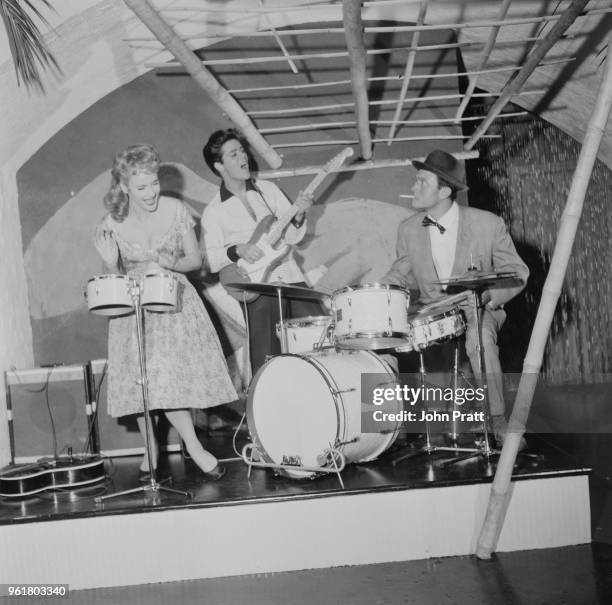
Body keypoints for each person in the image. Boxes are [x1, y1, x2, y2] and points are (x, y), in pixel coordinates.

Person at [94, 143, 238, 480]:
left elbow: (195, 261)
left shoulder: (175, 209)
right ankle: (150, 449)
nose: (150, 192)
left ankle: (194, 448)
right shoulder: (111, 223)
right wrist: (108, 260)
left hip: (172, 302)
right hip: (133, 309)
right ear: (125, 187)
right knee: (143, 382)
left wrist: (166, 261)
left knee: (167, 382)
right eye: (141, 187)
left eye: (154, 183)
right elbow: (111, 284)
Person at [381, 149, 529, 447]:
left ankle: (497, 421)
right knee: (382, 344)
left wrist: (487, 296)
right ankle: (393, 429)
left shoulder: (488, 223)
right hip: (431, 311)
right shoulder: (408, 230)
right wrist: (373, 293)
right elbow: (400, 275)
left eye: (421, 182)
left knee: (479, 340)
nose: (413, 188)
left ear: (445, 190)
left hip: (479, 307)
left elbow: (517, 271)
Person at [201, 128, 323, 374]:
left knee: (319, 343)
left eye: (242, 151)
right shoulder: (214, 212)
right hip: (257, 289)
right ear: (219, 166)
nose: (243, 157)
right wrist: (237, 250)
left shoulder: (268, 190)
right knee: (269, 360)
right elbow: (211, 260)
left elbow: (292, 237)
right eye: (233, 154)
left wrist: (298, 215)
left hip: (291, 278)